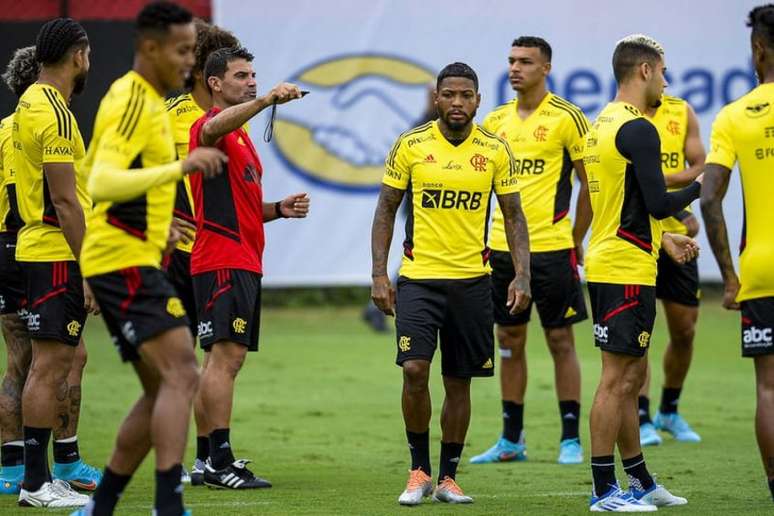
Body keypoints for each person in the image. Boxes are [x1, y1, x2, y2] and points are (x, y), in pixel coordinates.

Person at [70, 3, 227, 515]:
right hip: (121, 260)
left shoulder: (150, 102)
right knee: (184, 372)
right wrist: (180, 166)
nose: (190, 61)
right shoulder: (133, 100)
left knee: (162, 384)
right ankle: (169, 504)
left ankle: (103, 505)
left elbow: (96, 167)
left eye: (193, 51)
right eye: (183, 51)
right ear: (150, 49)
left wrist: (160, 225)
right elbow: (103, 182)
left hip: (129, 254)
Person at [371, 62, 530, 506]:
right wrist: (379, 274)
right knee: (415, 370)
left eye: (466, 95)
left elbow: (515, 217)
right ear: (437, 99)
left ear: (478, 100)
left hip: (473, 284)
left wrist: (522, 273)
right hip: (420, 281)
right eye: (450, 95)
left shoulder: (496, 150)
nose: (457, 103)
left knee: (459, 381)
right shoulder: (411, 145)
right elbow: (385, 210)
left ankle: (448, 477)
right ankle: (418, 470)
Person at [583, 34, 701, 511]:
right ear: (645, 71)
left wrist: (663, 238)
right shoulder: (639, 129)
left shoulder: (601, 124)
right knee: (617, 380)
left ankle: (640, 480)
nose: (667, 83)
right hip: (623, 268)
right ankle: (603, 490)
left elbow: (620, 205)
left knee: (631, 377)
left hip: (621, 257)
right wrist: (702, 186)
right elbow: (657, 202)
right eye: (663, 72)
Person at [188, 46, 309, 490]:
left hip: (239, 258)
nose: (252, 81)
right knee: (227, 359)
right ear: (215, 83)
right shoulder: (211, 127)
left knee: (216, 361)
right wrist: (264, 102)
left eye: (255, 75)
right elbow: (209, 128)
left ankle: (205, 460)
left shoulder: (239, 139)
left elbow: (240, 208)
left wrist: (277, 208)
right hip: (223, 259)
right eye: (241, 76)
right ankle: (221, 462)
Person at [469, 36, 591, 466]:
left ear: (546, 68)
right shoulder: (495, 120)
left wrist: (576, 237)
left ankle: (571, 439)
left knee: (560, 340)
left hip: (554, 249)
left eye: (525, 61)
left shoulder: (568, 118)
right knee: (509, 339)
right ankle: (511, 439)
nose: (515, 68)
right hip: (502, 251)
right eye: (511, 61)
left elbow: (588, 186)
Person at [12, 18, 101, 507]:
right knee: (48, 367)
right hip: (55, 252)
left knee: (52, 363)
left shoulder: (27, 102)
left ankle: (41, 477)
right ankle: (34, 484)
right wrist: (89, 268)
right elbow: (66, 202)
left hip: (35, 246)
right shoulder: (57, 113)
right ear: (78, 55)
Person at [701, 4, 774, 503]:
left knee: (769, 388)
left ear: (758, 49)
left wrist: (729, 276)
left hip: (762, 266)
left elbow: (709, 197)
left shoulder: (735, 115)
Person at [164, 19, 240, 487]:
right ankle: (183, 461)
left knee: (218, 358)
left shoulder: (231, 120)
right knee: (185, 364)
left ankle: (206, 457)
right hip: (176, 256)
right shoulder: (165, 114)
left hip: (213, 252)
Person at [639, 94, 705, 446]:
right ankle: (642, 416)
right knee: (641, 332)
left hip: (678, 233)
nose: (662, 80)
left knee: (684, 331)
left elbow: (700, 165)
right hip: (641, 235)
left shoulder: (682, 111)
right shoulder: (625, 116)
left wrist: (659, 177)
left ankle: (669, 410)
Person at [0, 46, 38, 496]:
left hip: (3, 246)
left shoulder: (3, 130)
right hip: (35, 244)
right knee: (62, 359)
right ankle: (61, 462)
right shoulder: (47, 125)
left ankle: (11, 467)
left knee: (16, 361)